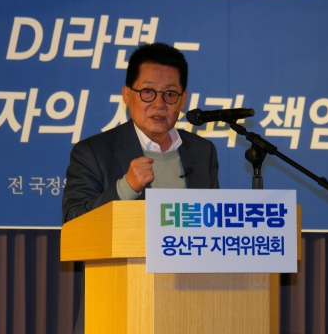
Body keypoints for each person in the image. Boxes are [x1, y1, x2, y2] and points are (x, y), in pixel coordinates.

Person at [61, 42, 220, 333]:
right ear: (127, 94)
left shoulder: (202, 151)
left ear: (183, 99)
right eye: (147, 92)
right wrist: (125, 187)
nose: (159, 103)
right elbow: (74, 225)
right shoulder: (94, 152)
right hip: (120, 304)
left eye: (170, 94)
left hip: (191, 308)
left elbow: (213, 226)